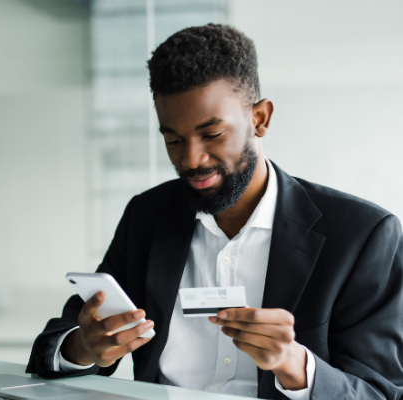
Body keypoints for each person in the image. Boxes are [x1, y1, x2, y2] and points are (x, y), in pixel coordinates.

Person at [26, 23, 403, 399]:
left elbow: (380, 392)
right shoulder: (148, 216)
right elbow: (55, 343)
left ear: (260, 119)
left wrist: (294, 366)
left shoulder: (364, 235)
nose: (191, 159)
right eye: (173, 139)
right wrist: (83, 348)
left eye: (212, 135)